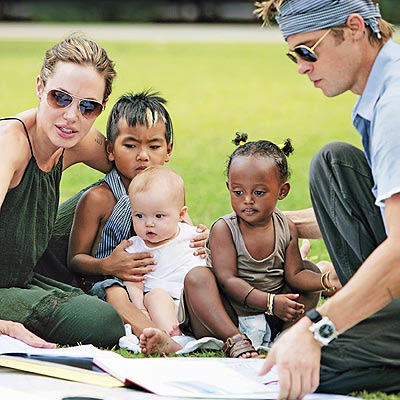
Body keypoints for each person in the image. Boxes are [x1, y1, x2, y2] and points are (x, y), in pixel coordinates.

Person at [253, 0, 400, 397]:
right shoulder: (384, 89)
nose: (301, 66)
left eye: (307, 50)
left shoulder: (394, 106)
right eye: (293, 56)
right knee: (334, 164)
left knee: (303, 362)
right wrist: (273, 224)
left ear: (354, 28)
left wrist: (318, 328)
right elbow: (383, 212)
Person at [0, 33, 125, 346]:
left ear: (101, 107)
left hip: (26, 260)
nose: (71, 116)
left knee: (109, 193)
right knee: (103, 322)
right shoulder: (10, 145)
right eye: (60, 97)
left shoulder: (76, 138)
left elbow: (139, 171)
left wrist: (181, 230)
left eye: (88, 107)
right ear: (40, 88)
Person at [67, 91, 206, 352]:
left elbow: (182, 234)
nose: (143, 156)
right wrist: (109, 265)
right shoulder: (99, 198)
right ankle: (156, 335)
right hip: (108, 279)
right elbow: (75, 260)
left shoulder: (169, 192)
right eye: (130, 146)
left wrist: (200, 239)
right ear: (110, 149)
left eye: (154, 147)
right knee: (114, 291)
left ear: (168, 150)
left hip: (160, 281)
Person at [207, 133, 330, 349]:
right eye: (238, 192)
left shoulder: (286, 227)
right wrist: (270, 303)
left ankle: (286, 336)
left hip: (274, 313)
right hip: (231, 314)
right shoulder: (224, 229)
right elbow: (227, 280)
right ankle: (236, 340)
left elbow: (296, 275)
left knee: (311, 270)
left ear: (282, 191)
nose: (247, 199)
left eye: (259, 192)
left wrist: (326, 281)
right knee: (198, 278)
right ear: (229, 188)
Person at [125, 165, 207, 337]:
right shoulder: (135, 247)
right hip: (164, 304)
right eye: (139, 216)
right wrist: (140, 308)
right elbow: (133, 281)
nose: (149, 223)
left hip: (195, 300)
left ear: (181, 214)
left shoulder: (194, 236)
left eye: (159, 216)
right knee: (154, 296)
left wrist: (211, 242)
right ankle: (172, 333)